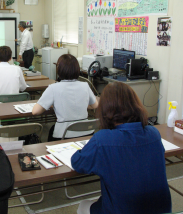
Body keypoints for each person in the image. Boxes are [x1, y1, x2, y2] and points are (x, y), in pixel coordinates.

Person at [71, 82, 172, 214]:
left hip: (122, 210)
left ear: (105, 109)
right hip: (162, 211)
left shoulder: (102, 139)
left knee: (83, 206)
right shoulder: (153, 133)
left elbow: (78, 163)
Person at [32, 54, 99, 141]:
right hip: (86, 132)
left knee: (52, 131)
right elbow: (95, 105)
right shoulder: (85, 85)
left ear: (59, 70)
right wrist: (79, 104)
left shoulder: (53, 88)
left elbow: (35, 111)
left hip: (63, 135)